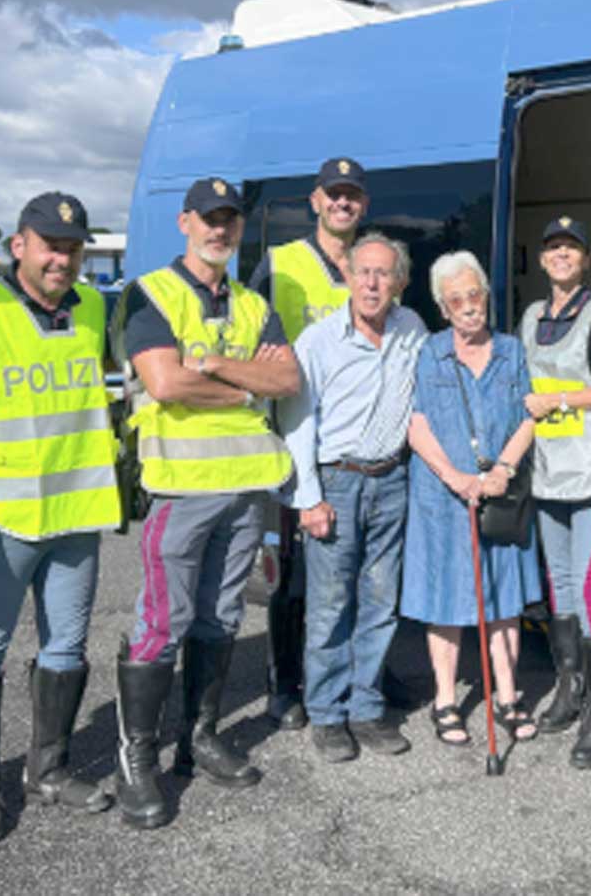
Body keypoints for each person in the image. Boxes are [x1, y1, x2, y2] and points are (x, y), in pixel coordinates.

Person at [112, 177, 299, 829]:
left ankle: (199, 735)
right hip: (182, 487)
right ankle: (137, 758)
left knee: (220, 616)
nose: (221, 229)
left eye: (231, 219)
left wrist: (214, 367)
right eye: (209, 218)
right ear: (185, 222)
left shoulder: (251, 302)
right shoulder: (153, 293)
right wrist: (244, 386)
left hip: (247, 485)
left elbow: (285, 378)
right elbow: (163, 381)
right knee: (164, 619)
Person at [0, 192, 120, 843]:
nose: (62, 258)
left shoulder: (97, 306)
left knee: (66, 646)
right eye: (50, 245)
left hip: (77, 507)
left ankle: (50, 768)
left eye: (72, 247)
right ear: (19, 245)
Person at [279, 233, 427, 761]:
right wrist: (308, 498)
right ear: (347, 276)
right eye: (363, 271)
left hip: (392, 479)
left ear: (400, 283)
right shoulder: (318, 342)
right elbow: (298, 423)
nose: (371, 283)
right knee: (329, 606)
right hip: (336, 480)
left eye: (383, 274)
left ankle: (366, 708)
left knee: (382, 602)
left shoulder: (412, 330)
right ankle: (326, 712)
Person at [401, 251, 541, 746]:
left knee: (503, 599)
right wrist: (454, 476)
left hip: (501, 496)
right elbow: (415, 423)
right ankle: (445, 700)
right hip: (443, 498)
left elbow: (529, 417)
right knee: (445, 600)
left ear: (486, 296)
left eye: (473, 294)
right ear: (443, 307)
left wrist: (504, 468)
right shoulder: (428, 352)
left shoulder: (512, 351)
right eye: (455, 298)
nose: (467, 306)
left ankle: (507, 695)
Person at [249, 156, 367, 730]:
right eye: (334, 195)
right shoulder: (282, 264)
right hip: (295, 436)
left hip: (356, 441)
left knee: (355, 567)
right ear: (315, 201)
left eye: (352, 196)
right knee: (291, 571)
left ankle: (353, 669)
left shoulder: (371, 265)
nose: (343, 203)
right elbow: (250, 335)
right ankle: (284, 682)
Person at [518, 217, 591, 768]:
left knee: (589, 584)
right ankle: (569, 687)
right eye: (553, 247)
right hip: (548, 467)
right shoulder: (531, 318)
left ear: (585, 260)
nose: (562, 255)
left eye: (572, 247)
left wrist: (560, 399)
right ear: (543, 260)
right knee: (558, 583)